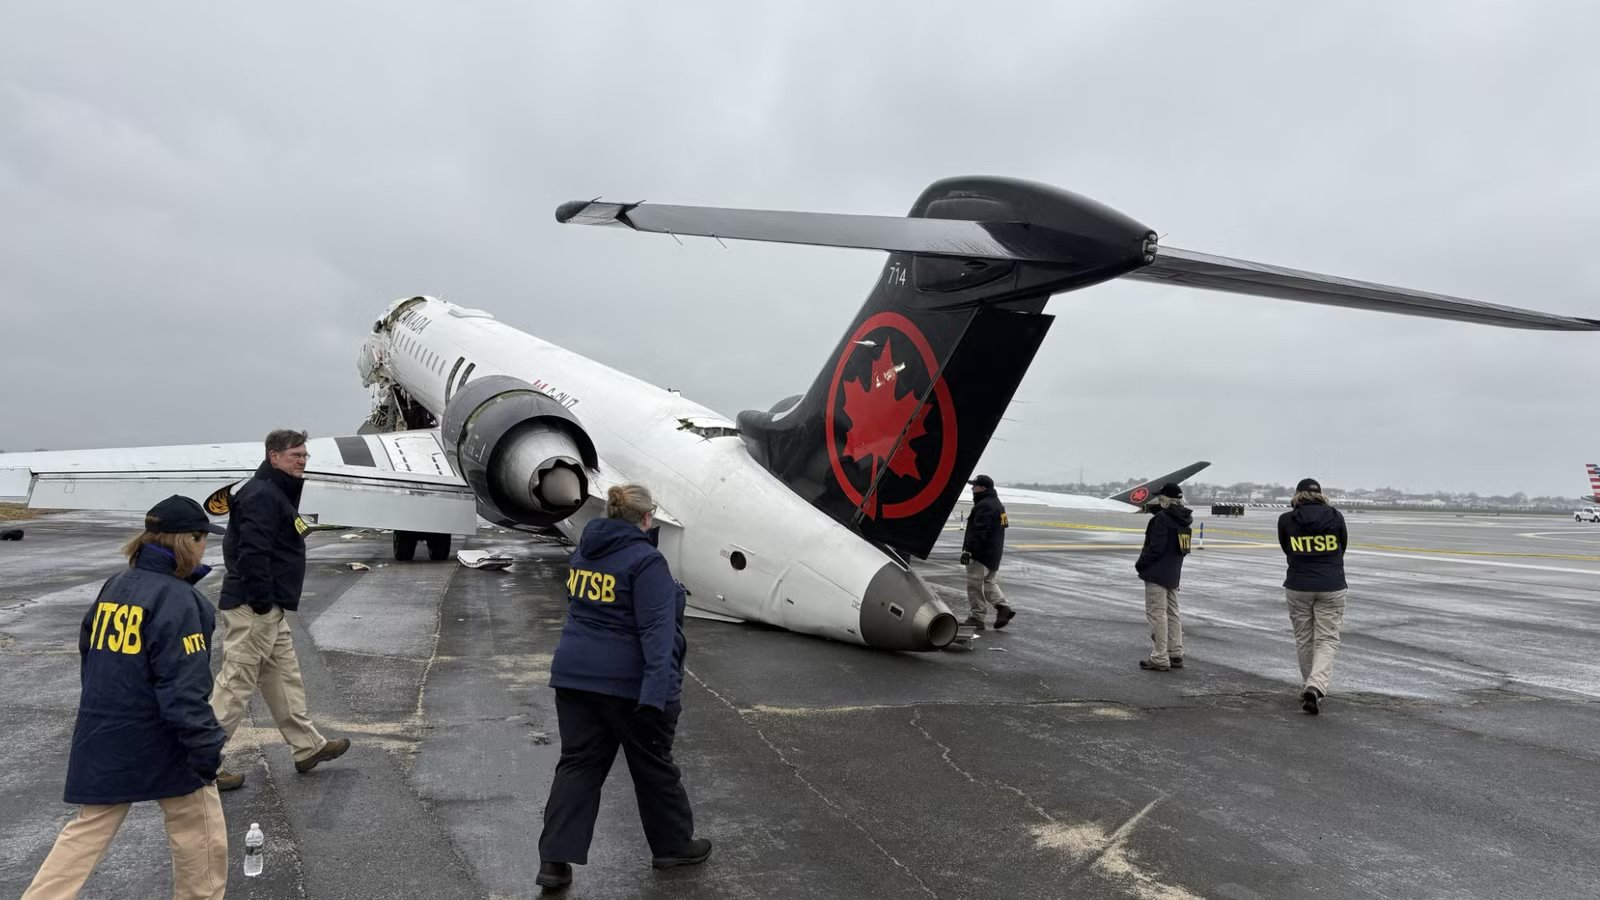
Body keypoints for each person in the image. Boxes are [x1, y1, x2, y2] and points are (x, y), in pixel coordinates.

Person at [23, 496, 229, 900]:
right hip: (162, 737)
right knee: (200, 829)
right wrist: (207, 749)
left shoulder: (116, 586)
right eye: (203, 538)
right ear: (188, 540)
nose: (205, 546)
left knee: (86, 832)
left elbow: (90, 656)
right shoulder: (181, 600)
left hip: (103, 728)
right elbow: (185, 690)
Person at [536, 484, 710, 891]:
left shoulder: (584, 552)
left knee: (578, 765)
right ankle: (672, 846)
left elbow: (578, 607)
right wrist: (657, 697)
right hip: (627, 686)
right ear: (647, 518)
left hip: (575, 678)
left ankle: (554, 863)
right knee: (653, 764)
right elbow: (658, 634)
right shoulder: (646, 562)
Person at [211, 429, 348, 791]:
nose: (302, 461)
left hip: (268, 607)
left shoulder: (275, 491)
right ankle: (198, 764)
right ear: (274, 457)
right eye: (294, 455)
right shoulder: (262, 495)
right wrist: (260, 601)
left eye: (304, 455)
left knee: (284, 677)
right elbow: (251, 552)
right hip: (254, 606)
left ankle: (307, 747)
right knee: (236, 684)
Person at [1277, 477, 1349, 715]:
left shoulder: (1286, 520)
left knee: (1304, 639)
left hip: (1298, 584)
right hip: (1331, 584)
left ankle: (1310, 685)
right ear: (1321, 495)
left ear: (1297, 495)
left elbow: (1287, 548)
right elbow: (1342, 546)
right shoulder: (1335, 516)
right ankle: (1316, 686)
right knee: (1327, 640)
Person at [1135, 482, 1193, 671]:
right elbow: (1183, 550)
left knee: (1157, 614)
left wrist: (1141, 564)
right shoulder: (1185, 520)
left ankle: (1160, 657)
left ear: (1166, 499)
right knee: (1172, 613)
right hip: (1173, 573)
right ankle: (1175, 653)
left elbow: (1155, 548)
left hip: (1156, 574)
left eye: (1161, 498)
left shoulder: (1161, 519)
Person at [960, 474, 1015, 631]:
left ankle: (977, 617)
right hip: (993, 554)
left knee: (974, 585)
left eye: (975, 485)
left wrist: (969, 551)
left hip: (980, 555)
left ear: (983, 488)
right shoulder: (998, 504)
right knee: (988, 582)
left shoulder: (984, 505)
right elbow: (1003, 527)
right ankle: (1003, 607)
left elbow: (979, 532)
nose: (972, 488)